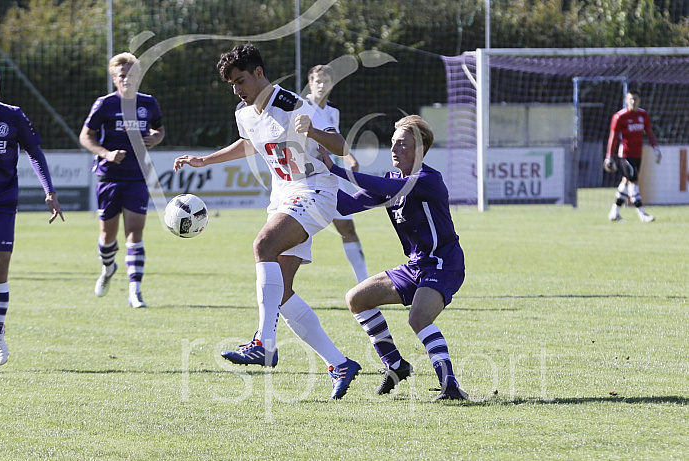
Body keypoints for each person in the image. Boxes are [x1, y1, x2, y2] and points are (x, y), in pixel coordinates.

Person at [173, 44, 360, 400]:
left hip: (315, 191)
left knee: (263, 246)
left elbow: (339, 144)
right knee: (283, 293)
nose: (237, 89)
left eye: (240, 80)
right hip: (284, 196)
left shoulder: (292, 104)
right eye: (231, 84)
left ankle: (264, 344)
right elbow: (248, 144)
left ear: (259, 73)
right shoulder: (245, 113)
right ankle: (339, 363)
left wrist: (314, 131)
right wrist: (205, 159)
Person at [319, 115, 470, 401]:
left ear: (420, 150)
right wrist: (313, 178)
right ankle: (395, 364)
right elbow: (347, 204)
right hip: (416, 265)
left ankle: (449, 385)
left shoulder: (427, 180)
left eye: (402, 144)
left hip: (443, 263)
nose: (394, 149)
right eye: (392, 144)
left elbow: (387, 189)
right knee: (356, 299)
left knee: (419, 318)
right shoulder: (392, 181)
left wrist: (335, 168)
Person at [79, 52, 165, 308]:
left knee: (135, 233)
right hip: (108, 178)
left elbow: (159, 128)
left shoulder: (149, 103)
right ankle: (107, 269)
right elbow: (86, 136)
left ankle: (135, 291)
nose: (127, 79)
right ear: (115, 79)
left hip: (137, 177)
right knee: (107, 236)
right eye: (122, 75)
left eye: (131, 74)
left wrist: (156, 137)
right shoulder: (104, 104)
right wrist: (106, 153)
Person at [0, 66, 64, 365]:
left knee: (0, 267)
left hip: (3, 201)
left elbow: (35, 152)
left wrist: (49, 191)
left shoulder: (12, 115)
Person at [305, 64, 368, 283]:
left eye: (326, 81)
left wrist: (350, 159)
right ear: (310, 83)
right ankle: (280, 290)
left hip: (331, 177)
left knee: (347, 228)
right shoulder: (301, 107)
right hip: (308, 180)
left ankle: (364, 283)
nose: (322, 85)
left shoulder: (333, 111)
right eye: (317, 81)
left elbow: (335, 142)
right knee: (295, 235)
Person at [604, 90, 661, 223]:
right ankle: (642, 214)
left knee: (625, 181)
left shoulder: (643, 115)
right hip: (624, 155)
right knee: (633, 182)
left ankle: (614, 212)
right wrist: (609, 156)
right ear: (626, 100)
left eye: (635, 99)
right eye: (631, 99)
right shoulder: (619, 117)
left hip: (637, 154)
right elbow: (613, 138)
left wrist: (656, 149)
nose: (633, 102)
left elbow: (649, 133)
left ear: (639, 100)